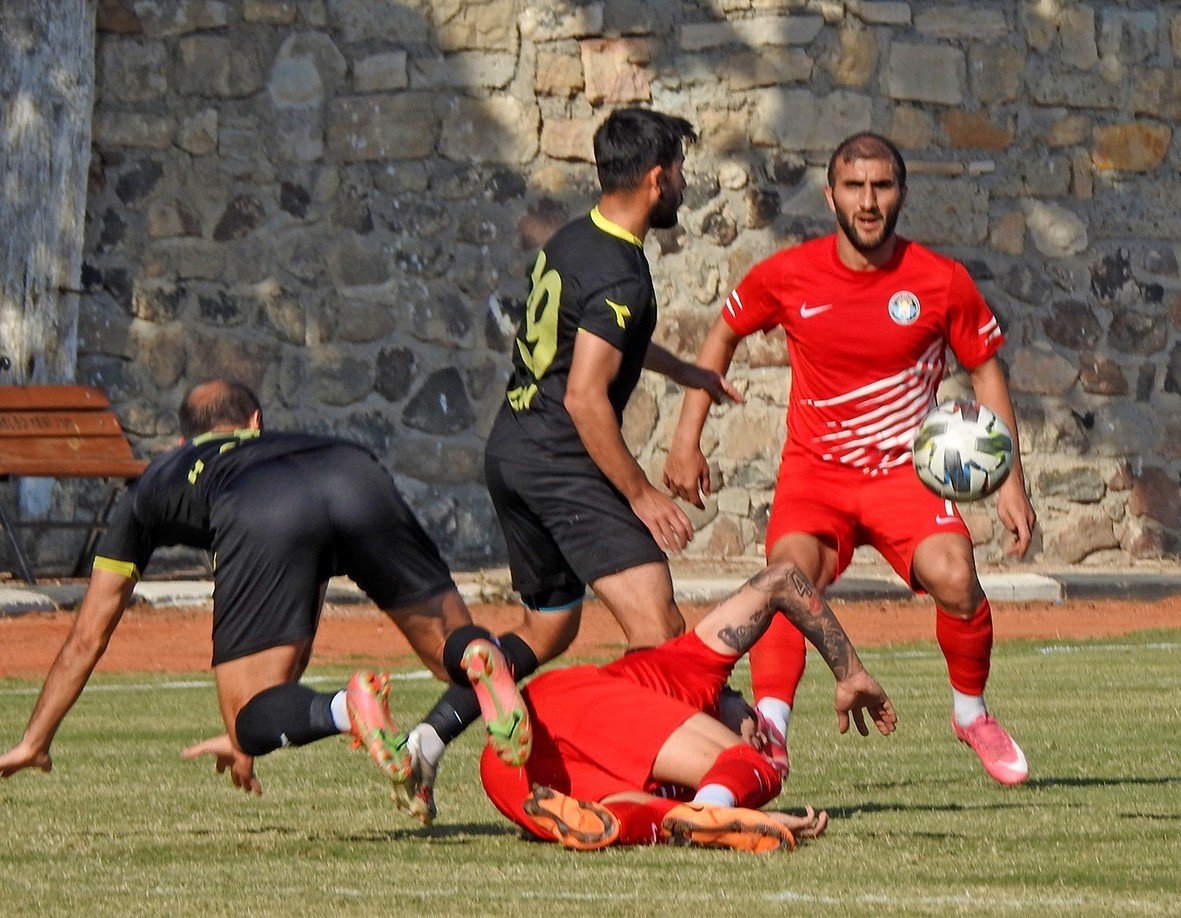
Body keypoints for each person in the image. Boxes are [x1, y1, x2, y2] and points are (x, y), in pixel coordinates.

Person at [393, 107, 742, 822]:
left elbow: (599, 342)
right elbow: (586, 396)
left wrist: (686, 373)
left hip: (513, 449)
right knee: (656, 628)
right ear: (655, 179)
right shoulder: (621, 273)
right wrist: (640, 492)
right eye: (678, 171)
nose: (682, 183)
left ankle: (428, 738)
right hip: (560, 455)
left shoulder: (576, 241)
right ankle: (656, 776)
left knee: (548, 627)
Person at [664, 133, 1037, 786]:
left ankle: (970, 714)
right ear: (831, 194)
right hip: (816, 475)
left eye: (882, 186)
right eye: (854, 186)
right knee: (785, 576)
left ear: (900, 193)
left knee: (955, 576)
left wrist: (1007, 480)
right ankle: (772, 733)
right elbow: (721, 332)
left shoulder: (940, 279)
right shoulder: (787, 274)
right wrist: (685, 436)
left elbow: (985, 373)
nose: (868, 201)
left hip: (905, 478)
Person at [0, 380, 530, 797]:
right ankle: (481, 653)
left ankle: (348, 708)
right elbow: (305, 588)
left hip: (261, 504)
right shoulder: (288, 441)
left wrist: (35, 740)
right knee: (448, 654)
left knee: (250, 719)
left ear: (183, 440)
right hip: (353, 470)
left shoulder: (154, 482)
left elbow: (87, 637)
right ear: (256, 422)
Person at [480, 562, 897, 852]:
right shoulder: (695, 669)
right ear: (733, 697)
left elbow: (675, 815)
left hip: (517, 774)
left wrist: (751, 822)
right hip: (568, 703)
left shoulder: (683, 773)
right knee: (759, 772)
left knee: (633, 817)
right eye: (755, 724)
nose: (758, 737)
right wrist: (850, 671)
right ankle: (715, 811)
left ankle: (646, 820)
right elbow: (781, 579)